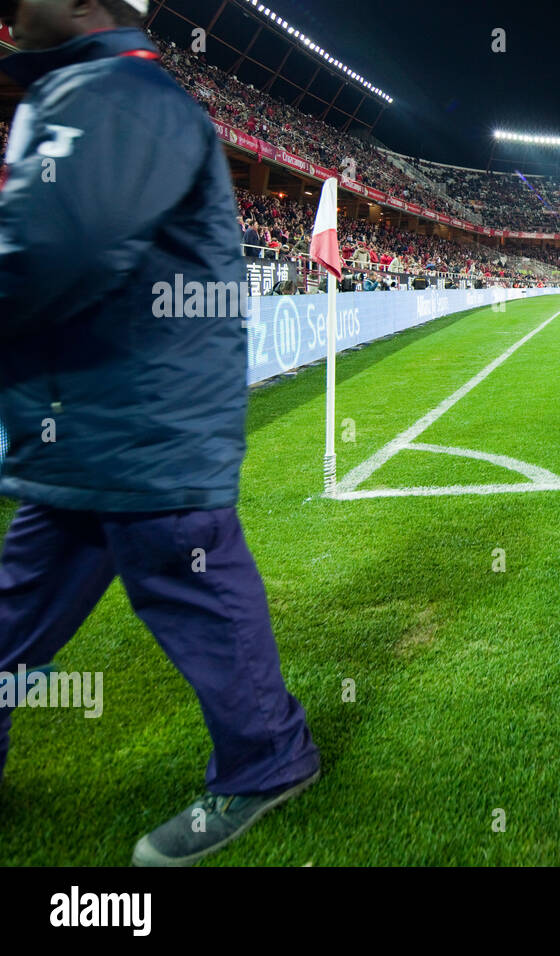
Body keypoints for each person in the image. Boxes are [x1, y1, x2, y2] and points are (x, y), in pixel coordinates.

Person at [0, 0, 319, 866]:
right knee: (14, 617)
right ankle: (267, 754)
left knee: (196, 594)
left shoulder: (123, 96)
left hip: (149, 427)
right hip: (89, 433)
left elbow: (53, 252)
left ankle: (267, 760)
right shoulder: (83, 91)